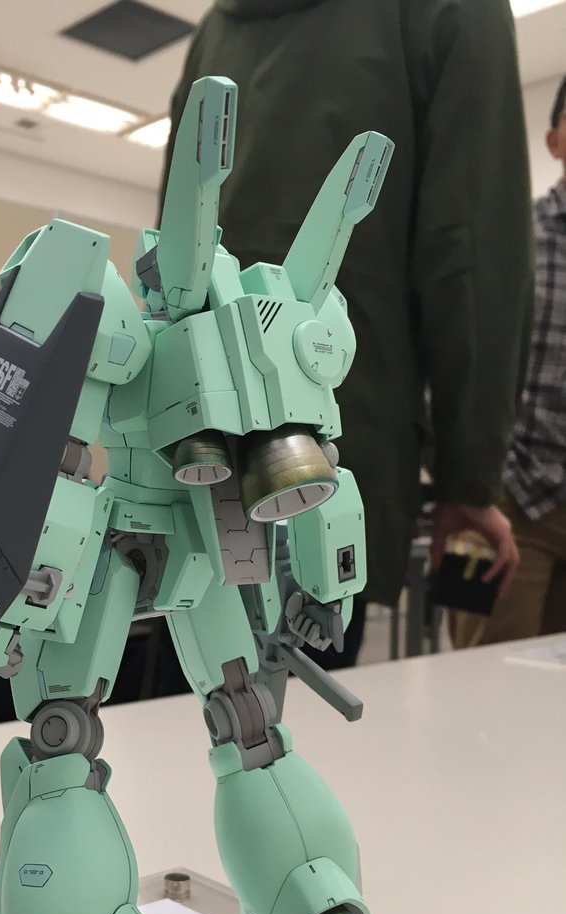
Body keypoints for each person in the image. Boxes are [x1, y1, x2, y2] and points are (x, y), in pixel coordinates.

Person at [162, 0, 532, 665]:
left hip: (188, 434)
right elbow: (472, 254)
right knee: (292, 694)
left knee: (180, 681)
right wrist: (469, 481)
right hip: (333, 441)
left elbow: (176, 243)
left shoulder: (217, 27)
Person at [451, 77, 566, 648]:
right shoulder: (510, 236)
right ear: (554, 142)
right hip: (503, 505)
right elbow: (451, 361)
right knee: (474, 683)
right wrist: (471, 481)